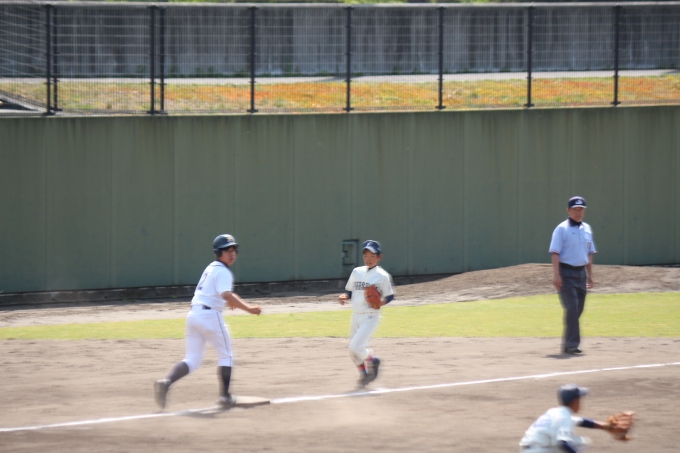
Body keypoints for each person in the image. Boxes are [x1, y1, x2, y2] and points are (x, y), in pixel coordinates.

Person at [154, 234, 261, 410]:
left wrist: (228, 301)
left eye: (234, 250)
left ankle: (165, 382)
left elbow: (216, 294)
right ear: (219, 252)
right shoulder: (223, 271)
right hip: (210, 317)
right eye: (228, 250)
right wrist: (248, 308)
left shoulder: (211, 268)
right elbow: (226, 294)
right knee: (226, 356)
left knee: (192, 359)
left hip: (194, 315)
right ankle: (225, 398)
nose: (232, 253)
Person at [338, 240, 395, 388]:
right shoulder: (356, 272)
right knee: (352, 351)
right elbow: (351, 291)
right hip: (356, 315)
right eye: (365, 256)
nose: (368, 259)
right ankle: (364, 375)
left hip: (370, 316)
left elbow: (390, 296)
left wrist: (380, 303)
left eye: (372, 256)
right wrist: (345, 296)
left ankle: (373, 361)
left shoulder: (382, 276)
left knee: (355, 347)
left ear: (379, 257)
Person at [549, 196, 596, 354]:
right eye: (575, 209)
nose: (578, 212)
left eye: (581, 209)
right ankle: (572, 345)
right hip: (566, 272)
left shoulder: (587, 228)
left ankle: (568, 343)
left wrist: (590, 275)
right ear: (568, 210)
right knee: (572, 309)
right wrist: (556, 275)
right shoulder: (562, 229)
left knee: (578, 309)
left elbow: (589, 252)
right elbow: (555, 252)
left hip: (581, 273)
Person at [519, 384, 622, 452]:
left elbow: (581, 421)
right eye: (579, 399)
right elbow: (561, 443)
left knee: (574, 443)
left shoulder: (555, 412)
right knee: (579, 443)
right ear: (575, 402)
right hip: (540, 450)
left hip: (530, 449)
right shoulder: (564, 417)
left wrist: (605, 426)